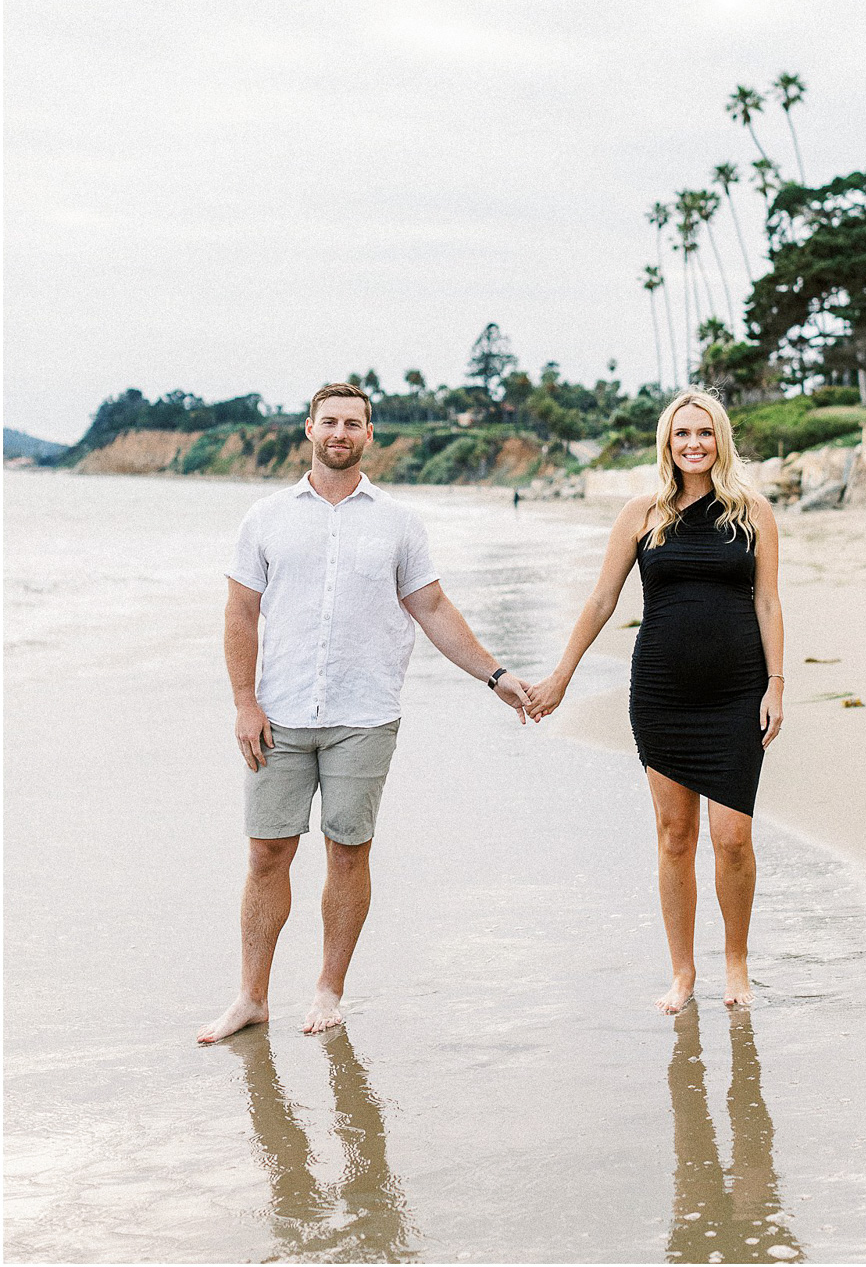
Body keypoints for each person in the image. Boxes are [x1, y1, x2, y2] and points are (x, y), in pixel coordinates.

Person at [198, 382, 534, 1044]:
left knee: (348, 853)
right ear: (309, 428)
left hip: (365, 714)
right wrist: (243, 702)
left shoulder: (398, 522)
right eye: (330, 422)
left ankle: (328, 989)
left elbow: (433, 608)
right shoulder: (265, 517)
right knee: (267, 854)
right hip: (279, 714)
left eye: (353, 423)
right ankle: (251, 998)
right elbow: (240, 614)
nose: (340, 433)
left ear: (369, 434)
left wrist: (494, 674)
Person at [528, 391, 784, 1013]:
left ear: (720, 439)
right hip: (664, 693)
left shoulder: (752, 512)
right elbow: (600, 601)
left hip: (736, 693)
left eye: (704, 433)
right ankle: (682, 972)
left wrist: (777, 683)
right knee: (675, 836)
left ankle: (737, 964)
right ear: (666, 444)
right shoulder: (643, 514)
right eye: (681, 434)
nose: (693, 444)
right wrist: (561, 676)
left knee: (733, 840)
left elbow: (768, 603)